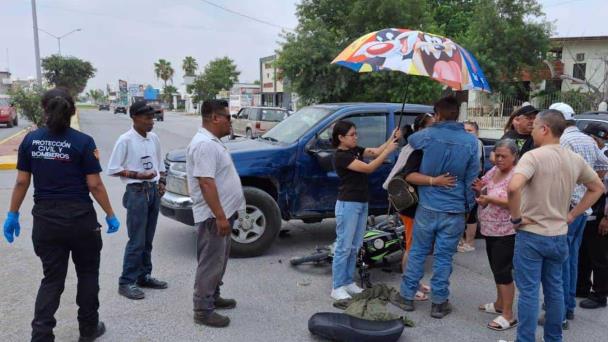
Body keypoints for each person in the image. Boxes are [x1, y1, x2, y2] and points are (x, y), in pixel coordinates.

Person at [2, 88, 120, 342]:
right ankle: (88, 330)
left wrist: (12, 214)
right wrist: (110, 213)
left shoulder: (31, 141)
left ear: (45, 110)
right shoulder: (83, 142)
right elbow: (95, 185)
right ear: (73, 111)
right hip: (81, 221)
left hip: (46, 221)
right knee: (88, 274)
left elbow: (22, 182)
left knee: (52, 279)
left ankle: (41, 335)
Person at [507, 109, 604, 342]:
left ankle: (525, 339)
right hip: (559, 234)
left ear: (545, 129)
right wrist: (572, 214)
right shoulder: (573, 158)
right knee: (555, 290)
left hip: (531, 234)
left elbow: (513, 187)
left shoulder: (533, 156)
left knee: (529, 292)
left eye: (535, 126)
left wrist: (516, 218)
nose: (531, 130)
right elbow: (598, 187)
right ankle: (553, 338)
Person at [398, 96, 480, 319]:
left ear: (438, 114)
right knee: (444, 257)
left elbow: (411, 140)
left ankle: (406, 297)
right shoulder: (472, 142)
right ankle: (439, 303)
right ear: (457, 114)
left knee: (417, 251)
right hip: (454, 209)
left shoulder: (427, 136)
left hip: (427, 206)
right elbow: (473, 179)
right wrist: (466, 208)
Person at [543, 102, 608, 327]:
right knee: (570, 259)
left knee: (560, 263)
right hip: (584, 208)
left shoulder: (564, 141)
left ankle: (559, 312)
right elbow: (603, 164)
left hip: (568, 208)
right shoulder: (585, 139)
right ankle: (567, 306)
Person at [383, 113, 455, 301]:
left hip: (419, 204)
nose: (435, 129)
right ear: (420, 129)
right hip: (411, 205)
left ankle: (414, 280)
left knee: (416, 246)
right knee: (412, 247)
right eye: (431, 126)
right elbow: (398, 177)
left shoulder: (424, 147)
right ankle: (410, 283)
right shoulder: (415, 148)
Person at [186, 99, 245, 327]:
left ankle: (213, 295)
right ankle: (202, 310)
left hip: (221, 213)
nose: (231, 122)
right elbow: (206, 183)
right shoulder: (205, 144)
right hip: (212, 217)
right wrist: (220, 216)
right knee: (210, 262)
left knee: (219, 260)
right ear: (215, 118)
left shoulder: (212, 142)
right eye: (228, 117)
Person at [330, 120, 400, 300]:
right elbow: (368, 167)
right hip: (348, 204)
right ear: (340, 137)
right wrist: (389, 151)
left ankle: (347, 282)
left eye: (356, 133)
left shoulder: (355, 150)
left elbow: (375, 151)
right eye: (352, 135)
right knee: (344, 247)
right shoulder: (341, 156)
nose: (355, 137)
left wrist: (392, 137)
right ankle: (337, 286)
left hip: (362, 202)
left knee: (355, 246)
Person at [107, 100, 167, 300]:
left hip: (152, 192)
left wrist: (162, 182)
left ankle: (144, 275)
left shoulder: (153, 138)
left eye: (153, 117)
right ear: (134, 118)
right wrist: (138, 175)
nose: (152, 121)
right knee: (137, 240)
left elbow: (159, 163)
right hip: (137, 193)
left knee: (148, 239)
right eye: (147, 118)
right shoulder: (125, 140)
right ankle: (126, 281)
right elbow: (113, 169)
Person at [474, 139, 518, 331]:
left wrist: (491, 198)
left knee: (503, 271)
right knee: (496, 269)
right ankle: (499, 304)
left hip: (506, 231)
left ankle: (508, 315)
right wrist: (480, 191)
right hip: (489, 228)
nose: (498, 159)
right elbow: (485, 190)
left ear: (514, 157)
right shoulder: (494, 171)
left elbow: (517, 203)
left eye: (503, 156)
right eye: (496, 155)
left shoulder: (517, 176)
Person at [577, 123, 608, 309]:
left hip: (600, 213)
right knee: (584, 253)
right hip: (589, 210)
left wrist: (606, 218)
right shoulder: (593, 154)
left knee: (599, 256)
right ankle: (582, 287)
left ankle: (600, 294)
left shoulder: (604, 157)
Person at [459, 121, 486, 252]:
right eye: (464, 130)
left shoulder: (476, 143)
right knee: (466, 212)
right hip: (467, 182)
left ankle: (469, 242)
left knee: (469, 213)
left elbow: (475, 165)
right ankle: (462, 241)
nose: (467, 133)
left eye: (470, 130)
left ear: (477, 132)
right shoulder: (466, 144)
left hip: (472, 182)